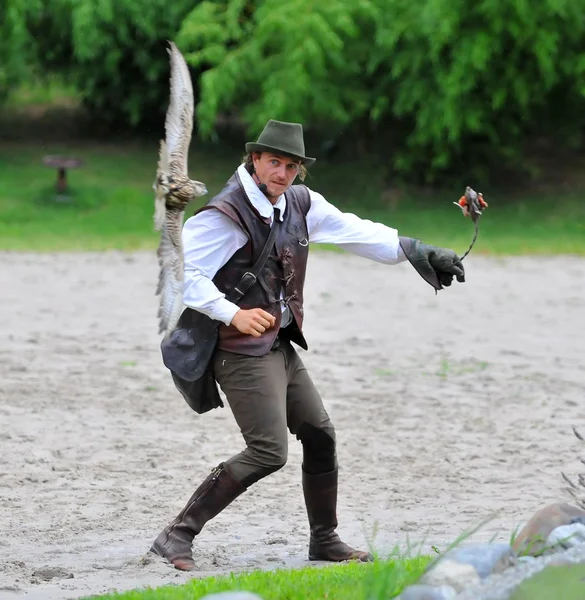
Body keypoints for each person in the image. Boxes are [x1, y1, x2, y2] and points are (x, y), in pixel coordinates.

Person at [150, 119, 465, 571]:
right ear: (254, 159)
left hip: (277, 343)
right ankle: (175, 535)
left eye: (291, 165)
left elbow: (353, 230)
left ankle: (325, 540)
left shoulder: (299, 202)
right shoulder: (225, 215)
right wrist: (231, 312)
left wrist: (417, 250)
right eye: (274, 161)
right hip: (236, 349)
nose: (282, 172)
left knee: (320, 434)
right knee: (268, 452)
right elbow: (183, 275)